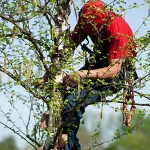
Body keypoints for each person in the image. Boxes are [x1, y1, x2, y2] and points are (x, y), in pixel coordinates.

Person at [39, 0, 136, 149]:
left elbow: (113, 70)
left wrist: (82, 74)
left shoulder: (117, 30)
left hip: (117, 72)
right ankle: (67, 144)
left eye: (93, 32)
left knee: (73, 101)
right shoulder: (87, 21)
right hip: (98, 63)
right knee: (63, 92)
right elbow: (66, 51)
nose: (89, 34)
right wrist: (45, 77)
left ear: (102, 23)